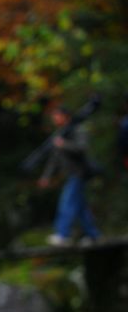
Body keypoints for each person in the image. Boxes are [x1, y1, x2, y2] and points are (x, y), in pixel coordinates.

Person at [38, 105, 101, 245]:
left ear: (65, 116)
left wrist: (64, 144)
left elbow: (82, 148)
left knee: (67, 202)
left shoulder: (77, 129)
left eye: (56, 115)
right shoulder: (59, 134)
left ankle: (62, 234)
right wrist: (46, 176)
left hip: (80, 173)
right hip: (71, 174)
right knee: (80, 206)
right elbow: (54, 159)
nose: (54, 119)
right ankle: (93, 234)